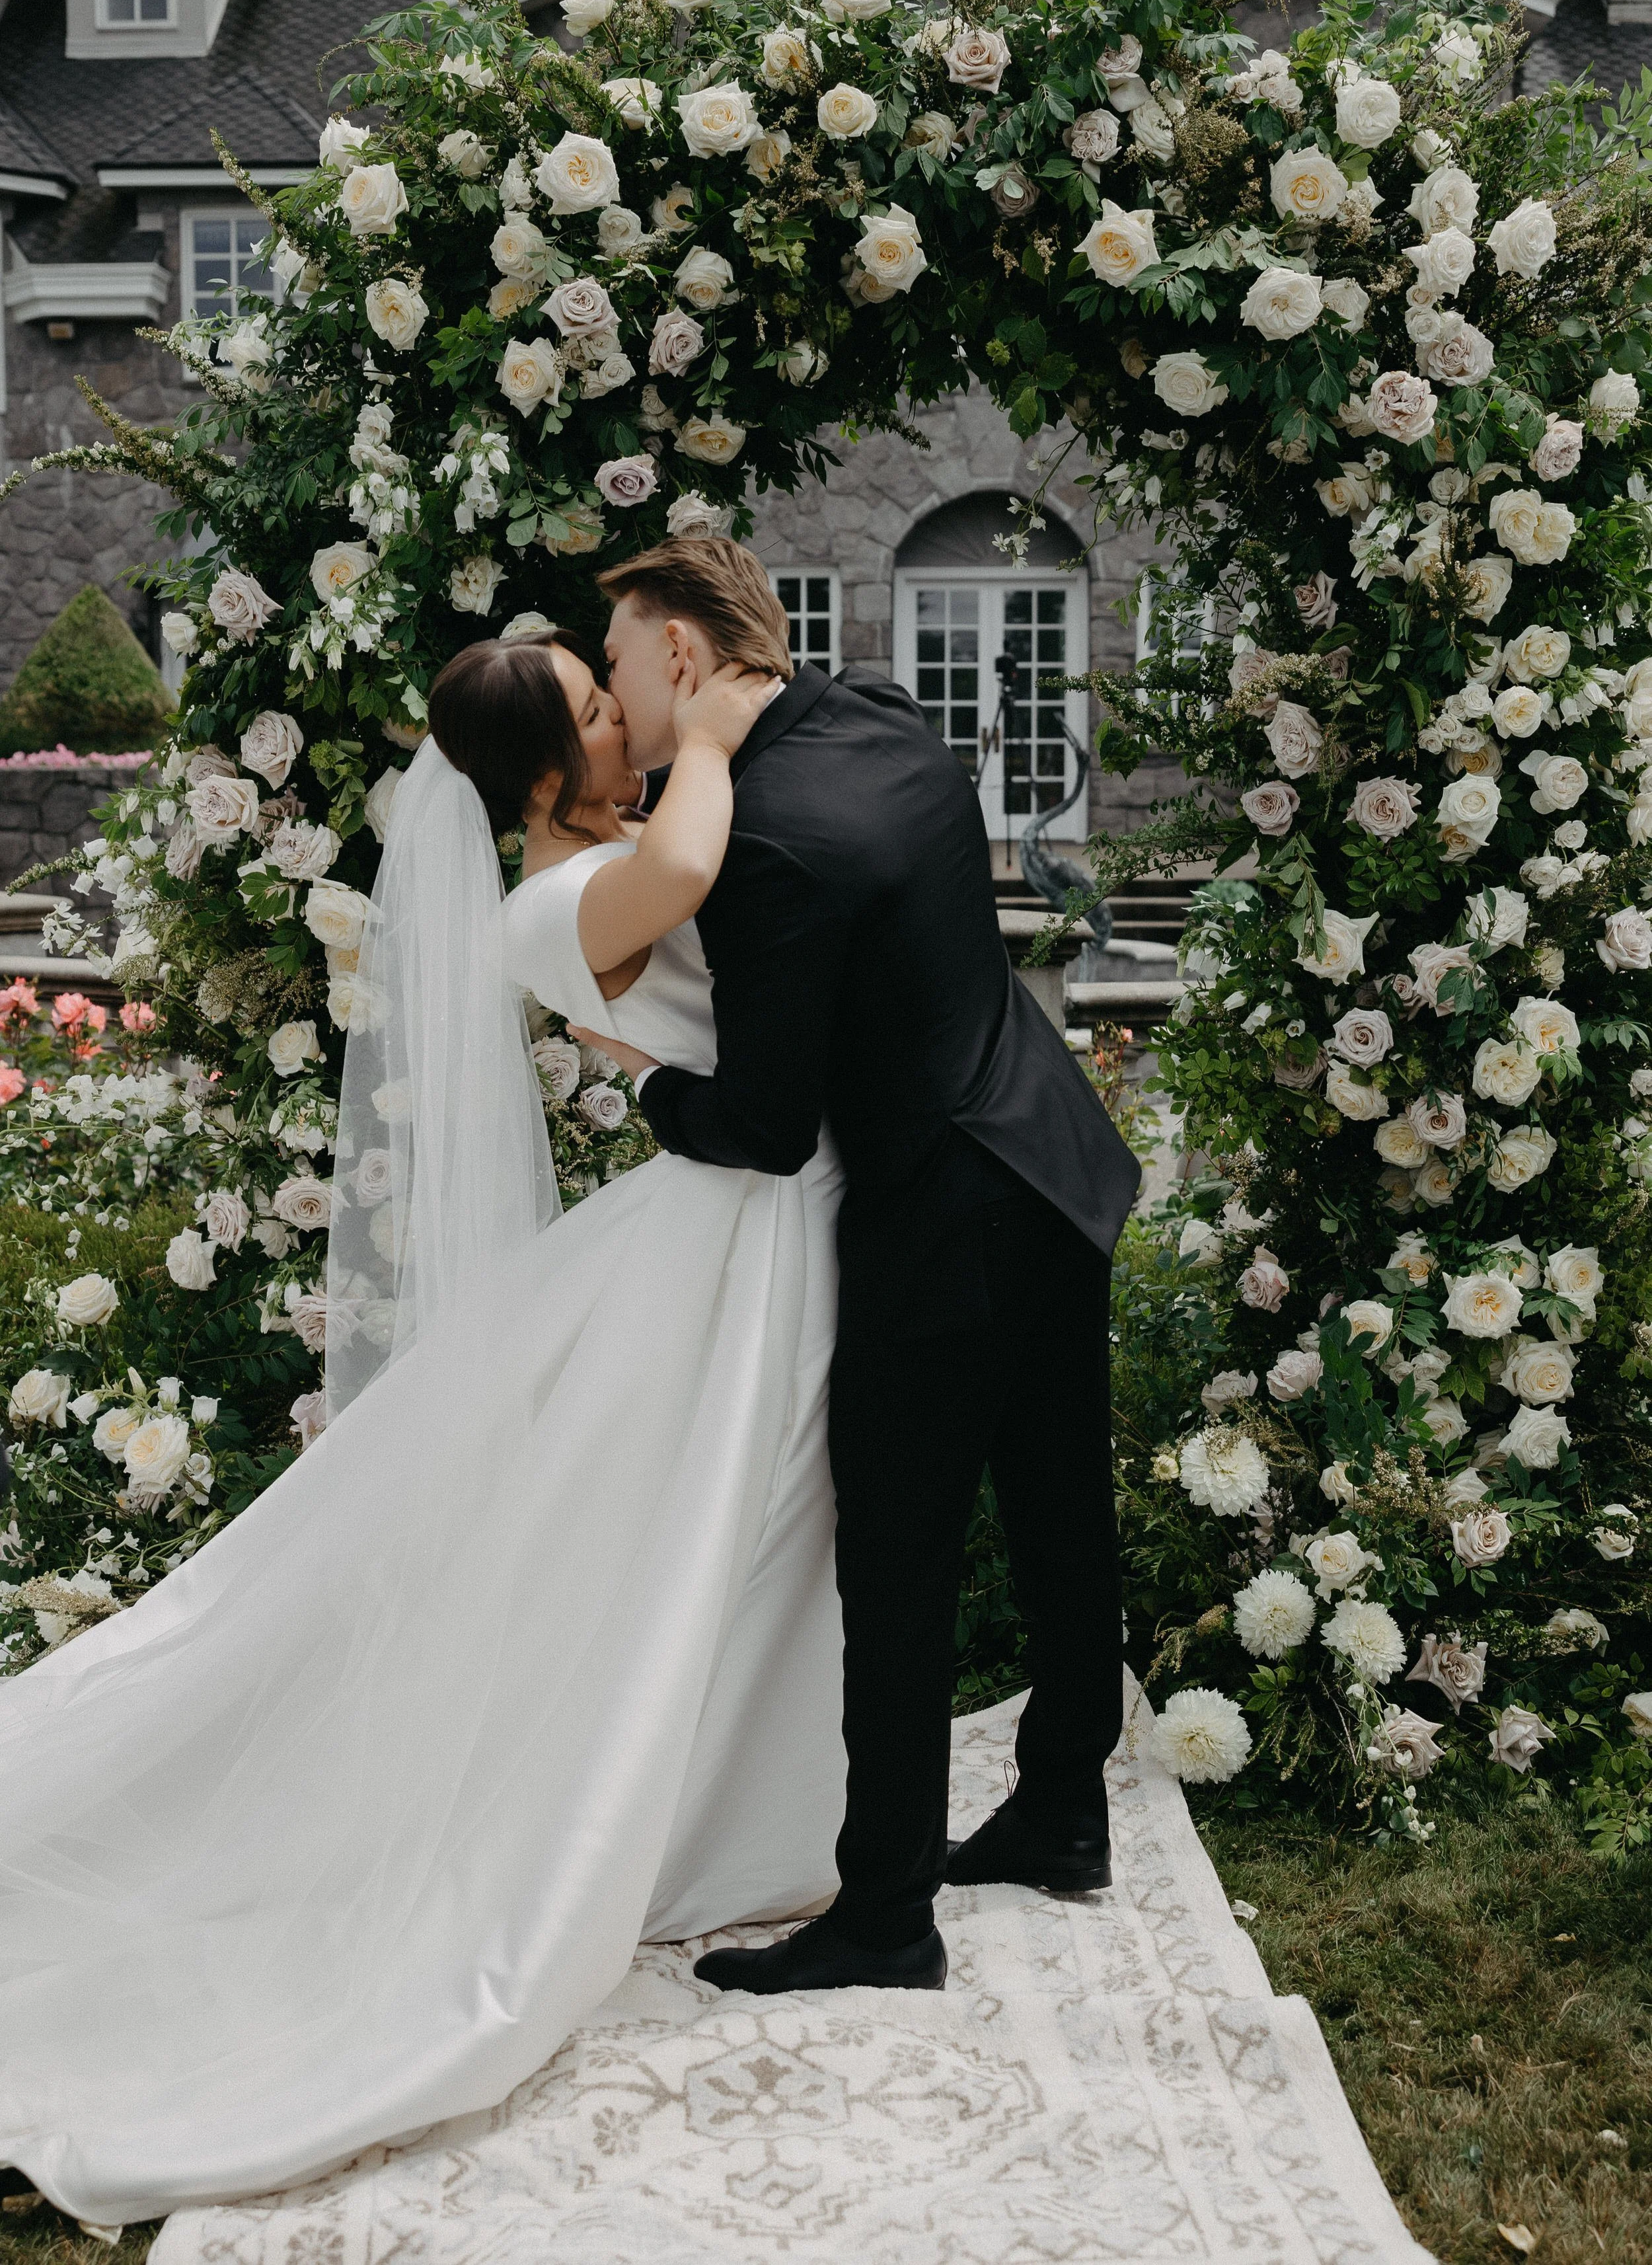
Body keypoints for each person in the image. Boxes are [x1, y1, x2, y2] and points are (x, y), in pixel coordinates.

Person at [0, 623, 848, 2230]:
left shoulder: (597, 847)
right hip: (721, 1236)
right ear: (542, 775)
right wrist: (726, 735)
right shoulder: (558, 897)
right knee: (685, 1542)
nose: (632, 724)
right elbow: (680, 874)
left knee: (717, 1542)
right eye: (605, 714)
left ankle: (732, 1803)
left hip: (732, 1229)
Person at [578, 539, 1141, 1997]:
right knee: (1059, 1505)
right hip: (1056, 1160)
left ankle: (885, 1915)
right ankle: (1064, 1809)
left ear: (686, 659)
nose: (619, 693)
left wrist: (628, 1085)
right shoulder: (885, 717)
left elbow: (764, 1128)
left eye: (625, 661)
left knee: (896, 1564)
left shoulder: (763, 841)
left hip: (939, 1223)